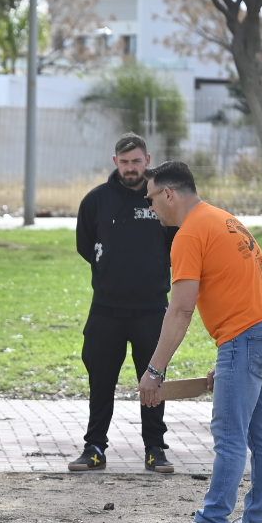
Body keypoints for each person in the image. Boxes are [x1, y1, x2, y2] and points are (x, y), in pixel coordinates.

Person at [137, 161, 262, 523]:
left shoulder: (189, 234)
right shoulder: (223, 219)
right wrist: (233, 357)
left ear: (169, 194)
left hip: (248, 338)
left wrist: (155, 369)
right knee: (261, 432)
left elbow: (181, 309)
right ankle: (257, 521)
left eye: (152, 198)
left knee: (229, 434)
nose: (151, 206)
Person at [70, 132, 176, 474]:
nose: (131, 168)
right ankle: (95, 448)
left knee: (152, 381)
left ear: (148, 160)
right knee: (101, 380)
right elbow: (87, 246)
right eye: (125, 162)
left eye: (137, 161)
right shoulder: (96, 201)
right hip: (107, 310)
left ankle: (155, 449)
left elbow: (178, 244)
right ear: (115, 162)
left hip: (151, 309)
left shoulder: (161, 198)